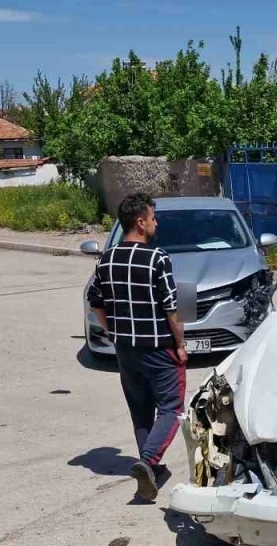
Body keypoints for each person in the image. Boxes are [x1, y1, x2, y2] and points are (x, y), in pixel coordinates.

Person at [87, 194, 189, 503]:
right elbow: (172, 308)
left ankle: (151, 470)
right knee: (172, 408)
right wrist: (181, 344)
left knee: (141, 411)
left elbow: (95, 301)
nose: (156, 223)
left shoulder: (106, 259)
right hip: (159, 348)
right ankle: (148, 460)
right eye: (154, 218)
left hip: (125, 350)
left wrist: (112, 331)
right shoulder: (157, 257)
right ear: (141, 222)